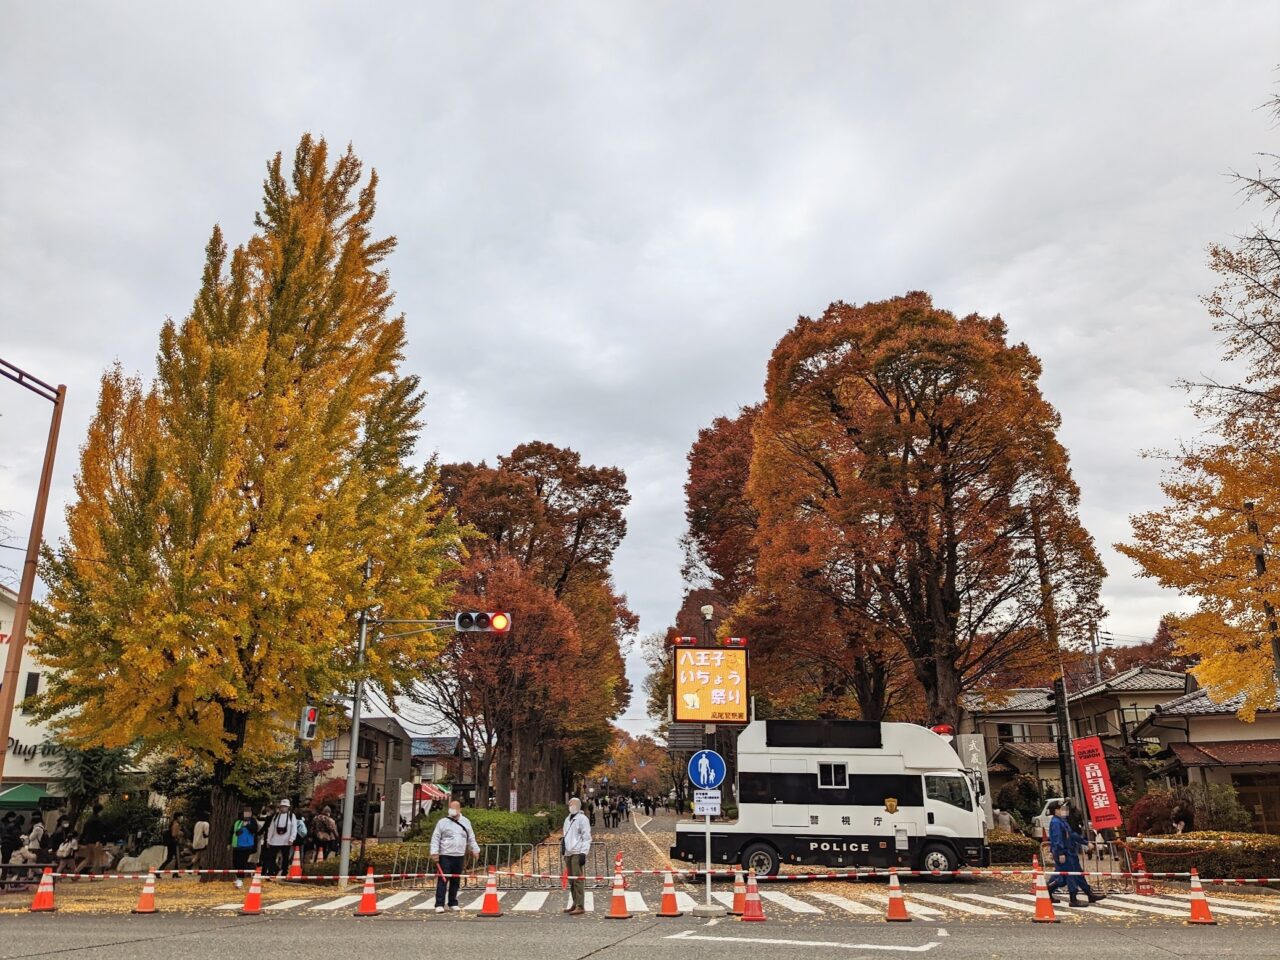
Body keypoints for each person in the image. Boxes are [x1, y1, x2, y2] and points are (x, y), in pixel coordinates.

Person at [1044, 800, 1104, 906]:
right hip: (1064, 853)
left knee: (1077, 873)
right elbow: (1057, 840)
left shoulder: (1062, 821)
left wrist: (1086, 843)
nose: (1064, 810)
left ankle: (1089, 894)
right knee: (1069, 875)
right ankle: (1073, 899)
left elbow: (1072, 835)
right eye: (1062, 808)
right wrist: (1061, 853)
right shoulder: (1056, 823)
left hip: (1070, 852)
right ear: (1056, 810)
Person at [429, 801, 479, 913]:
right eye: (450, 808)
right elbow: (436, 838)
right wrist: (434, 852)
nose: (452, 810)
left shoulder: (466, 822)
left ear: (459, 809)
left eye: (454, 808)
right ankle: (439, 903)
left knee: (455, 880)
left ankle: (453, 902)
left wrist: (475, 849)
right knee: (443, 879)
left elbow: (471, 837)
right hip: (445, 855)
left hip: (459, 855)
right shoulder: (442, 823)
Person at [561, 797, 592, 916]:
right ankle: (575, 902)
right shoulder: (567, 819)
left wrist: (583, 852)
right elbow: (565, 834)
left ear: (578, 806)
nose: (571, 805)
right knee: (571, 880)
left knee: (577, 878)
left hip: (577, 851)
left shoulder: (582, 819)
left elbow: (586, 837)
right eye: (570, 804)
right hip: (568, 852)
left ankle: (580, 905)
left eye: (573, 804)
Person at [260, 799, 297, 876]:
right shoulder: (276, 816)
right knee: (271, 857)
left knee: (285, 858)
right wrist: (268, 840)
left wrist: (292, 838)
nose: (283, 808)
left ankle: (284, 873)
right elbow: (271, 829)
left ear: (288, 807)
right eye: (282, 806)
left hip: (286, 841)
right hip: (275, 841)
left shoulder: (291, 816)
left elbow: (294, 828)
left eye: (285, 807)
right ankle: (271, 872)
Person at [230, 806, 259, 888]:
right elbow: (233, 832)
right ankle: (239, 877)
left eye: (248, 812)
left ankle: (240, 879)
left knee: (242, 863)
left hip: (247, 846)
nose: (246, 814)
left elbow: (255, 830)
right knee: (235, 862)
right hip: (237, 845)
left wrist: (247, 825)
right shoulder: (237, 821)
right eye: (245, 812)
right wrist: (229, 843)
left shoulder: (252, 821)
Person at [75, 804, 106, 874]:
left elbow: (84, 831)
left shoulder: (89, 820)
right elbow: (99, 831)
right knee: (97, 859)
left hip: (88, 841)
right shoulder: (98, 820)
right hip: (96, 842)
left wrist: (80, 841)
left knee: (88, 858)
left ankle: (76, 871)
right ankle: (93, 873)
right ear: (100, 811)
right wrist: (98, 840)